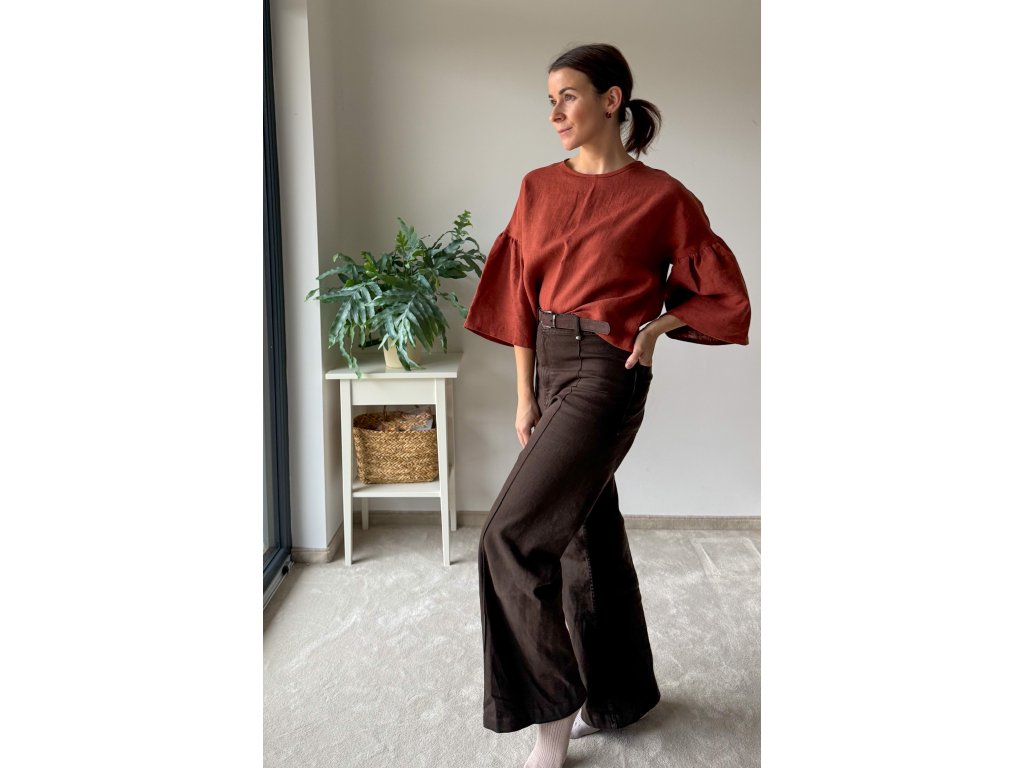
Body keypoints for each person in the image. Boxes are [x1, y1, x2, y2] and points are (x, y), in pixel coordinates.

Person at [463, 43, 751, 768]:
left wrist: (655, 328)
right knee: (586, 534)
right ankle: (617, 697)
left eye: (568, 95)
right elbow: (519, 296)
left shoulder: (662, 197)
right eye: (549, 100)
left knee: (510, 537)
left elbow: (720, 293)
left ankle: (552, 712)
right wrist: (525, 393)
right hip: (551, 364)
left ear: (612, 99)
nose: (555, 113)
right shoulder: (537, 188)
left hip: (605, 370)